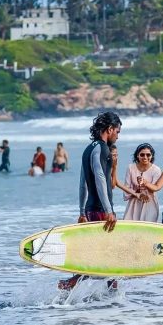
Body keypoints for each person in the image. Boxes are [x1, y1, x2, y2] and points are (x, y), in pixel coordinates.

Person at [58, 111, 122, 291]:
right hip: (101, 208)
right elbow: (101, 177)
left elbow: (82, 183)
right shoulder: (102, 148)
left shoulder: (88, 149)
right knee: (107, 251)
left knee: (100, 250)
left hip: (90, 208)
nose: (117, 136)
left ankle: (107, 292)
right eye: (117, 131)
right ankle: (74, 282)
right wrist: (109, 210)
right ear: (109, 129)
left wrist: (81, 212)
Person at [115, 143, 162, 222]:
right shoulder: (131, 168)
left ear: (152, 156)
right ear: (137, 155)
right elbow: (126, 189)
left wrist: (144, 183)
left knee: (148, 228)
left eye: (148, 155)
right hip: (134, 202)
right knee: (129, 226)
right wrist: (137, 194)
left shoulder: (156, 170)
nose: (145, 157)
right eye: (142, 155)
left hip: (149, 202)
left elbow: (154, 189)